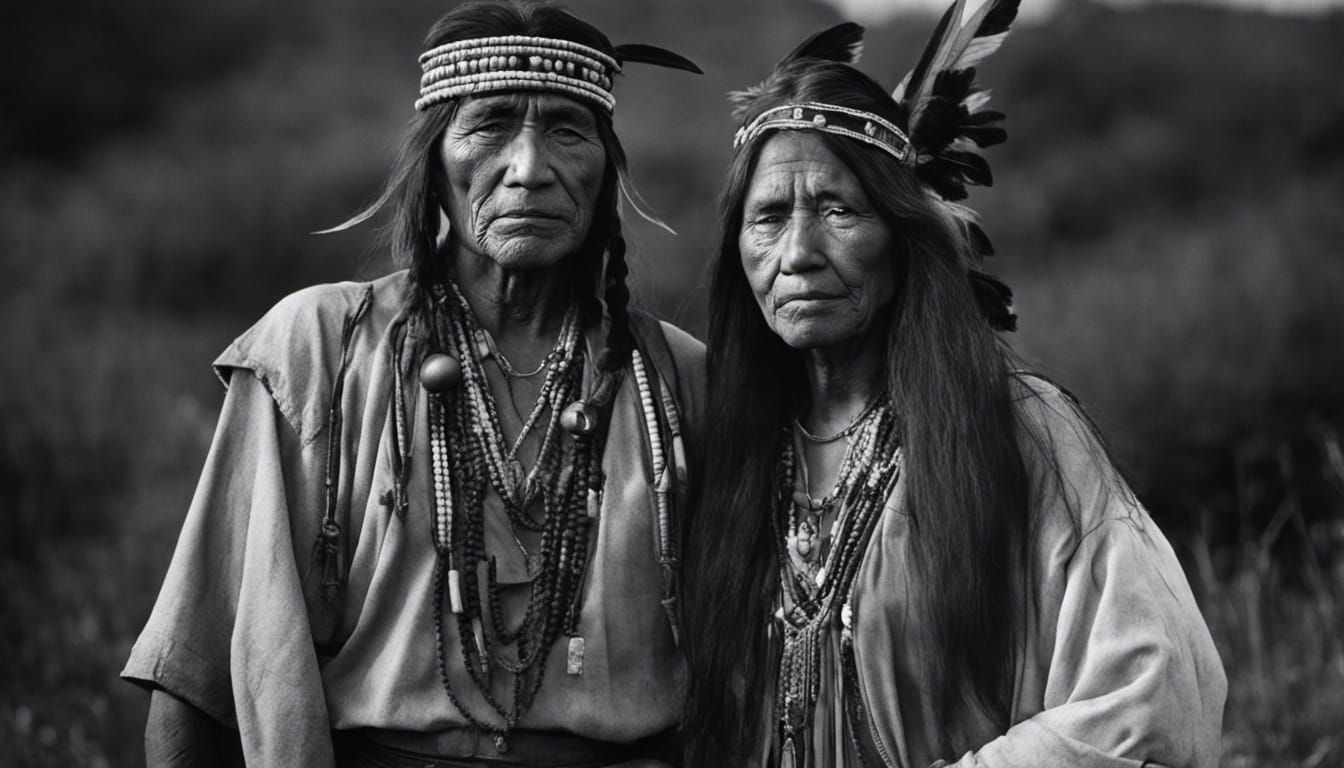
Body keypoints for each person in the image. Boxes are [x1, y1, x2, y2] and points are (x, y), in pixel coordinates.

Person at [121, 2, 704, 766]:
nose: (530, 168)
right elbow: (196, 676)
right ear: (434, 162)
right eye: (491, 124)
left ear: (605, 170)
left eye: (568, 130)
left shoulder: (675, 381)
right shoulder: (322, 350)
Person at [682, 3, 1226, 767]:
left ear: (903, 236)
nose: (797, 251)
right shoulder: (726, 443)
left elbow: (1151, 689)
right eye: (768, 216)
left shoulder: (1019, 427)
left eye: (838, 209)